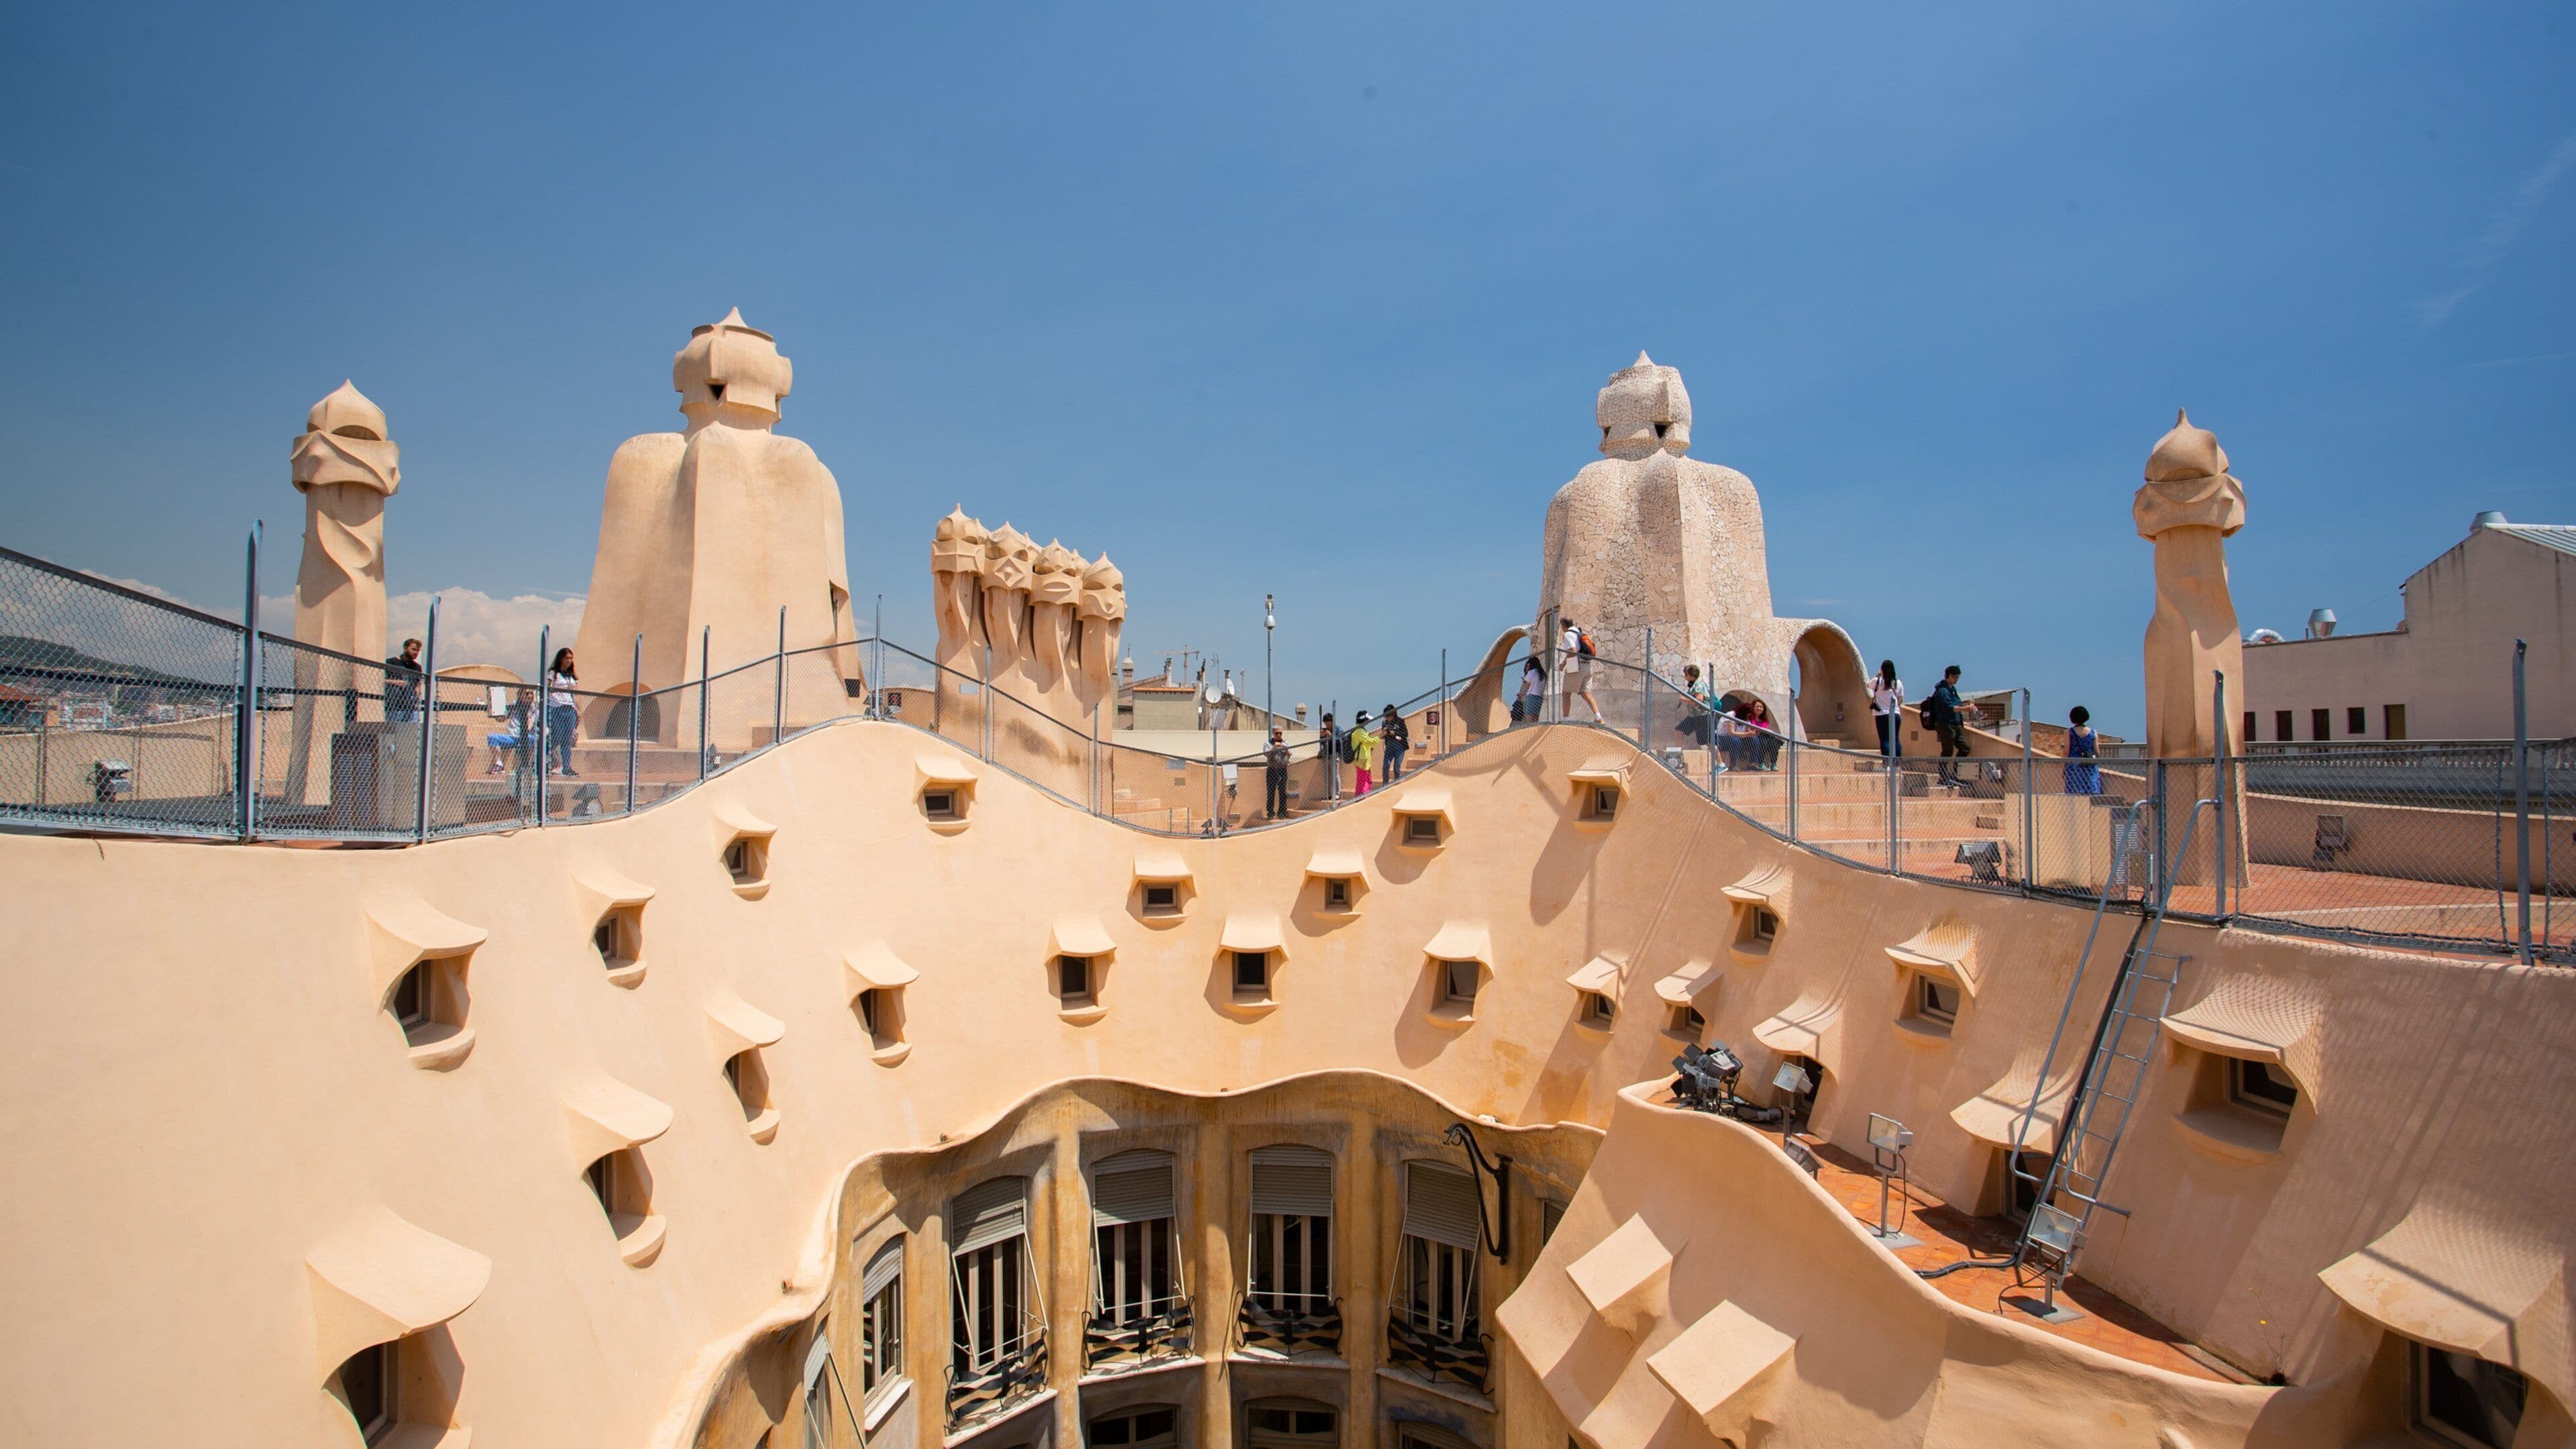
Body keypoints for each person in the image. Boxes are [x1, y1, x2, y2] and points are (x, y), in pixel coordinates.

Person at [1929, 664, 1970, 786]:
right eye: (1955, 677)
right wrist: (1963, 709)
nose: (1957, 679)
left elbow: (1956, 703)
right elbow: (1948, 706)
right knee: (1947, 751)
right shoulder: (1942, 690)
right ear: (1950, 676)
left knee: (1965, 747)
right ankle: (1943, 777)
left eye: (1958, 677)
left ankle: (1957, 775)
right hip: (1945, 724)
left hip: (1955, 724)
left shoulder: (1953, 690)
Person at [544, 647, 582, 777]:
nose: (569, 661)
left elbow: (575, 694)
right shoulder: (554, 673)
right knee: (556, 737)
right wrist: (557, 690)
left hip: (569, 708)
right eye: (567, 658)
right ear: (561, 659)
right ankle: (542, 762)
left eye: (571, 658)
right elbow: (547, 690)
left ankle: (566, 766)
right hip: (556, 707)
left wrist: (578, 709)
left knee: (567, 740)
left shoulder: (572, 676)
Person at [1559, 618, 1602, 722]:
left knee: (1566, 693)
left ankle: (1566, 719)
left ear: (1563, 626)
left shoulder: (1568, 634)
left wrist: (1564, 664)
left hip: (1576, 665)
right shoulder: (1579, 632)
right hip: (1587, 665)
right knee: (1585, 693)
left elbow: (1573, 652)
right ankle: (1599, 718)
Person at [486, 687, 536, 775]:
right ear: (520, 695)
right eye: (526, 693)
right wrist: (495, 714)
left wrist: (528, 719)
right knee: (492, 737)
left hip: (525, 737)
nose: (529, 696)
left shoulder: (532, 707)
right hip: (512, 737)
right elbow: (502, 719)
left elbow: (529, 726)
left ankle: (528, 765)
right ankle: (499, 764)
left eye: (531, 693)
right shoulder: (514, 704)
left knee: (534, 739)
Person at [1869, 660, 1904, 760]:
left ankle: (1887, 764)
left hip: (1881, 715)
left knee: (1884, 739)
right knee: (1895, 739)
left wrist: (1878, 674)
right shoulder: (1898, 683)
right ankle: (1897, 764)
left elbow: (1868, 685)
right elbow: (1900, 700)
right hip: (1895, 714)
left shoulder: (1878, 681)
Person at [384, 637, 425, 723]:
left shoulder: (417, 667)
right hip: (394, 705)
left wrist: (417, 700)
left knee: (411, 732)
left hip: (410, 706)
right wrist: (396, 682)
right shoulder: (391, 662)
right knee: (394, 731)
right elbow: (380, 680)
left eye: (418, 650)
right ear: (405, 648)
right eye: (413, 649)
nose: (416, 653)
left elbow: (417, 685)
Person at [2063, 705, 2102, 796]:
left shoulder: (2069, 732)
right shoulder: (2093, 732)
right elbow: (2097, 753)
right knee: (2091, 793)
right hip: (2089, 766)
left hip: (2074, 766)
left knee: (2074, 794)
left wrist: (2064, 766)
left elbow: (2066, 752)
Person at [1676, 665, 1717, 745]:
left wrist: (1685, 700)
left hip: (1703, 716)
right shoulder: (1693, 685)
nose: (1685, 677)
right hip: (1694, 715)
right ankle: (1678, 755)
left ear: (1691, 675)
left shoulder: (1698, 684)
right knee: (1679, 731)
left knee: (1709, 744)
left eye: (1686, 675)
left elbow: (1699, 700)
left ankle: (1718, 758)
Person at [1744, 697, 1784, 770]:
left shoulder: (1764, 720)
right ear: (1753, 707)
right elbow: (1751, 729)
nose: (1759, 708)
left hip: (1762, 736)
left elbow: (1762, 730)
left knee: (1774, 743)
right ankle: (1761, 763)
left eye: (1761, 707)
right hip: (1753, 737)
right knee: (1765, 741)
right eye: (1757, 707)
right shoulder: (1750, 717)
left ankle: (1773, 764)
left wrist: (1758, 731)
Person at [1349, 709, 1379, 796]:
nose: (1368, 722)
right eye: (1367, 720)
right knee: (1362, 780)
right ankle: (1361, 796)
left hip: (1364, 759)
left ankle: (1363, 795)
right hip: (1361, 759)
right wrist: (1380, 736)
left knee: (1366, 778)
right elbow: (1368, 741)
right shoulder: (1359, 731)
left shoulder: (1360, 730)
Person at [1717, 700, 1754, 771]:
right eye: (1748, 713)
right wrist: (1747, 734)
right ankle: (1733, 765)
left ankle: (1753, 764)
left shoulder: (1746, 718)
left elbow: (1748, 731)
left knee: (1755, 739)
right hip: (1723, 739)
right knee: (1736, 740)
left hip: (1739, 738)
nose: (1749, 716)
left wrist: (1752, 733)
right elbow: (1731, 733)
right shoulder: (1731, 715)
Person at [1263, 727, 1291, 818]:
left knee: (1283, 792)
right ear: (1273, 734)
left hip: (1283, 770)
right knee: (1271, 792)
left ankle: (1282, 813)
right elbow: (1266, 754)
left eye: (1280, 733)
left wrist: (1285, 749)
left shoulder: (1286, 743)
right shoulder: (1267, 744)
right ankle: (1270, 813)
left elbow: (1290, 754)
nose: (1279, 735)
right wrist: (1275, 747)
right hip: (1272, 770)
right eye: (1277, 733)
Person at [1379, 704, 1410, 784]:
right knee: (1386, 765)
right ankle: (1385, 784)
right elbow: (1383, 736)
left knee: (1397, 766)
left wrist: (1395, 733)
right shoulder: (1385, 723)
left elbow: (1406, 733)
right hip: (1389, 746)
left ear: (1392, 715)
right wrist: (1384, 733)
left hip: (1400, 746)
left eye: (1388, 717)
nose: (1387, 719)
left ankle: (1397, 782)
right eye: (1385, 717)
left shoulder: (1400, 721)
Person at [1513, 654, 1547, 723]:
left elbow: (1527, 685)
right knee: (1536, 718)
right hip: (1540, 697)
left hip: (1531, 697)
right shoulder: (1543, 674)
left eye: (1528, 666)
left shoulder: (1532, 672)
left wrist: (1524, 681)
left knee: (1529, 718)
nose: (1527, 668)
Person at [1314, 711, 1338, 801]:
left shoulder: (1337, 729)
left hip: (1334, 753)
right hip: (1326, 755)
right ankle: (1328, 794)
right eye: (1325, 723)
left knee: (1335, 775)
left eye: (1328, 722)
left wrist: (1331, 736)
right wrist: (1323, 736)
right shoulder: (1325, 730)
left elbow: (1340, 740)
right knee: (1327, 776)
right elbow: (1321, 743)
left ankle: (1337, 793)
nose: (1327, 725)